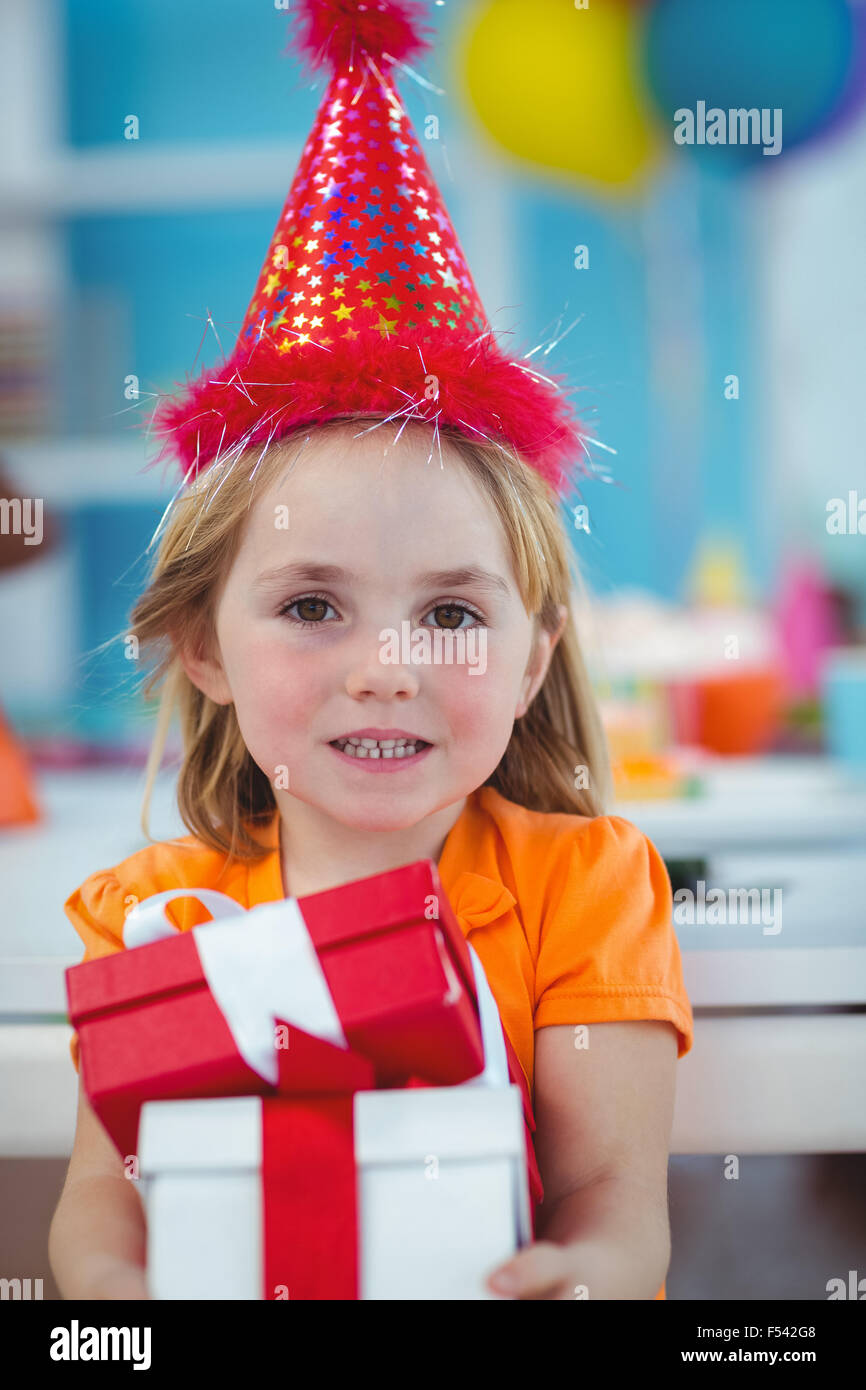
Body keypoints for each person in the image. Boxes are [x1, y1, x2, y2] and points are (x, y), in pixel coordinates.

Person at [49, 0, 693, 1301]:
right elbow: (96, 1222)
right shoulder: (149, 913)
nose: (385, 664)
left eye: (452, 612)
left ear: (532, 659)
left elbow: (614, 1207)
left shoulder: (586, 887)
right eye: (311, 605)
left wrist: (583, 1277)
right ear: (201, 644)